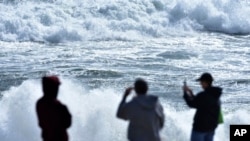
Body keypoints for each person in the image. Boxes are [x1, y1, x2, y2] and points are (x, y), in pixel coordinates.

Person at [183, 73, 222, 141]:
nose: (200, 84)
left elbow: (192, 104)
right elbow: (200, 103)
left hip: (200, 129)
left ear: (205, 82)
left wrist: (185, 93)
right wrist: (191, 93)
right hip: (211, 128)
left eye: (201, 82)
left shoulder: (203, 95)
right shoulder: (216, 95)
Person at [36, 76, 72, 141]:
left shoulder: (39, 103)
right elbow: (67, 123)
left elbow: (41, 123)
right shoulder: (58, 106)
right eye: (56, 87)